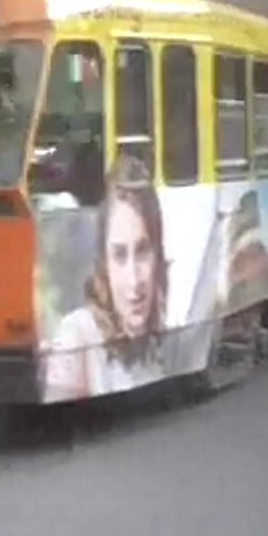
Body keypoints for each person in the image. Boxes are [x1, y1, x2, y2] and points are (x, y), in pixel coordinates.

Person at [44, 155, 169, 402]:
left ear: (158, 255)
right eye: (120, 256)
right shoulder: (77, 336)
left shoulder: (158, 339)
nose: (134, 281)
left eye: (143, 251)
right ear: (105, 264)